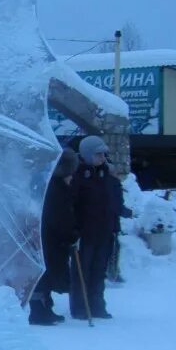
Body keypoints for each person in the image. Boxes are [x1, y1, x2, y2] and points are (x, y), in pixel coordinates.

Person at [70, 136, 118, 320]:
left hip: (104, 230)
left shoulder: (106, 173)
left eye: (104, 154)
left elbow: (112, 198)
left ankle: (97, 303)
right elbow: (72, 203)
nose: (102, 158)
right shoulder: (78, 174)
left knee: (99, 270)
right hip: (85, 231)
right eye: (98, 154)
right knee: (83, 269)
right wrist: (73, 228)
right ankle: (80, 306)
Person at [29, 148, 78, 326]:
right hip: (51, 240)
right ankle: (38, 309)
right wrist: (71, 234)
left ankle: (45, 306)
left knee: (47, 274)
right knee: (45, 274)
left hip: (48, 238)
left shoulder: (51, 185)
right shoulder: (57, 189)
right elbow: (60, 217)